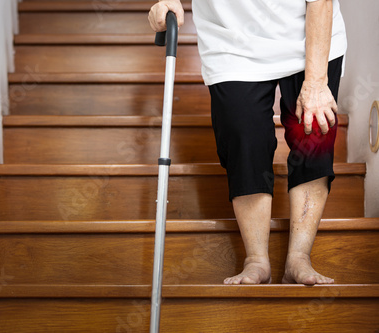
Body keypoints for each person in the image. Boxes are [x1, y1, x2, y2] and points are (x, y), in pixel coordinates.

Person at [148, 0, 347, 285]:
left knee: (313, 134)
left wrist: (316, 83)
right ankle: (256, 260)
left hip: (308, 35)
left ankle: (299, 258)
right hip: (231, 43)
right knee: (243, 139)